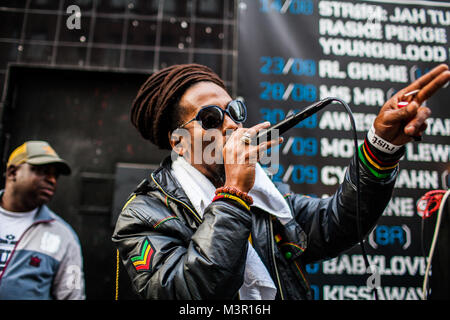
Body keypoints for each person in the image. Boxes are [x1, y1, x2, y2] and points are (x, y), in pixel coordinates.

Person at [112, 63, 450, 300]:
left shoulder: (262, 190)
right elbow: (189, 293)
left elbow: (335, 224)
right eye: (211, 118)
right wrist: (232, 196)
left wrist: (381, 146)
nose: (230, 125)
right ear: (179, 142)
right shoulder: (143, 215)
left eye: (234, 111)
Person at [0, 140, 85, 300]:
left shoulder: (63, 236)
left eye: (55, 175)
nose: (52, 180)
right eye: (42, 171)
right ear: (12, 172)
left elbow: (72, 296)